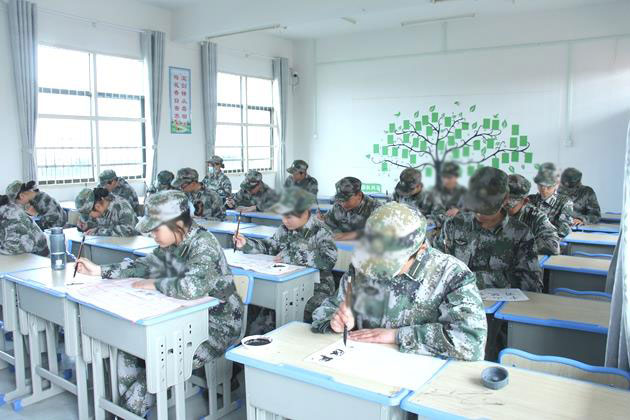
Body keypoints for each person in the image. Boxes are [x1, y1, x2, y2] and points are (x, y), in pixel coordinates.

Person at [76, 190, 243, 417]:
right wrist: (99, 271)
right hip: (181, 319)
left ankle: (127, 412)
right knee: (127, 349)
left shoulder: (204, 244)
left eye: (156, 229)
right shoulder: (172, 244)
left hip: (217, 324)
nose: (153, 235)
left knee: (159, 361)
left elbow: (190, 288)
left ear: (177, 224)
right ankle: (131, 410)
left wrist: (155, 284)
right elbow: (145, 265)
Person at [311, 202, 487, 360]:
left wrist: (397, 336)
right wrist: (336, 321)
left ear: (421, 251)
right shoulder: (363, 264)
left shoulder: (452, 274)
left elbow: (471, 341)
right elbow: (326, 310)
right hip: (362, 361)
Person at [234, 187, 337, 330]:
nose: (285, 221)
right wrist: (246, 243)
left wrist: (292, 256)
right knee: (259, 320)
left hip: (316, 287)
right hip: (285, 282)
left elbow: (328, 260)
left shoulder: (321, 231)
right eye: (282, 216)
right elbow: (270, 246)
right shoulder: (284, 229)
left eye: (289, 217)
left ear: (305, 212)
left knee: (297, 319)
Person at [435, 167, 542, 292]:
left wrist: (475, 279)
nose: (479, 213)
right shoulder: (454, 225)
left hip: (501, 302)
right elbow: (435, 268)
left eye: (487, 207)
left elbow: (532, 285)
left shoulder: (520, 234)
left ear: (505, 199)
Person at [505, 174, 560, 256]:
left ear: (525, 201)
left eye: (509, 205)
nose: (503, 206)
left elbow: (553, 246)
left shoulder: (535, 217)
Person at [324, 177, 381, 241]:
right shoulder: (337, 205)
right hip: (342, 245)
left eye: (346, 199)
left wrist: (357, 234)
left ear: (359, 195)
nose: (342, 204)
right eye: (340, 199)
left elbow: (386, 228)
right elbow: (328, 223)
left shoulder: (375, 207)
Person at [527, 163, 573, 238]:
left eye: (548, 186)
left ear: (556, 185)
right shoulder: (530, 200)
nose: (544, 189)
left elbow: (564, 230)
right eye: (541, 185)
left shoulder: (565, 202)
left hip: (552, 241)